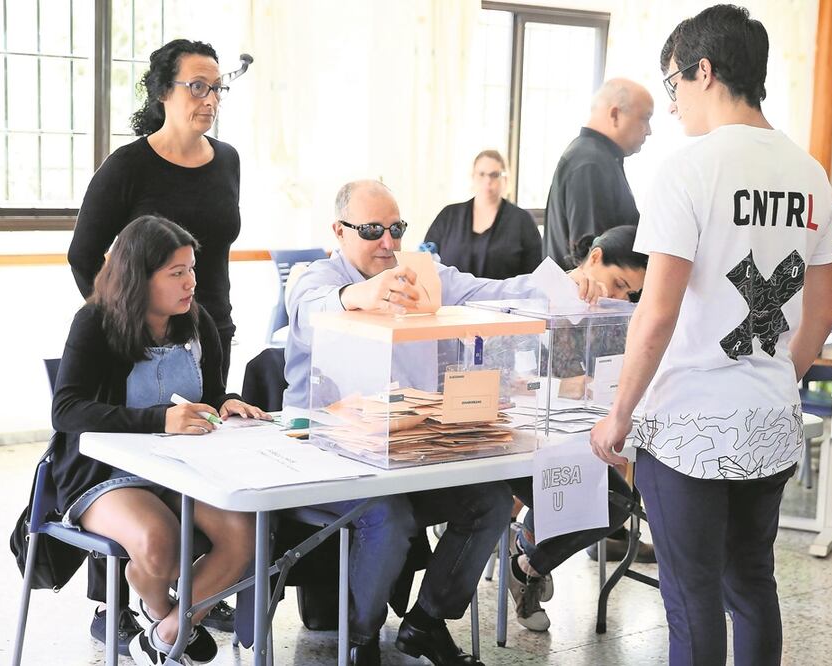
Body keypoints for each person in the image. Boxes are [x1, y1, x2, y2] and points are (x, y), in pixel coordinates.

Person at [589, 6, 832, 665]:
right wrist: (780, 379)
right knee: (751, 582)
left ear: (704, 71)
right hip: (769, 415)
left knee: (690, 593)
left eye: (672, 84)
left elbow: (658, 310)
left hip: (689, 423)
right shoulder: (809, 174)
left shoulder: (688, 168)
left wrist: (620, 413)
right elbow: (819, 314)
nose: (670, 105)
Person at [283, 179, 604, 665]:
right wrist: (362, 294)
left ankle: (425, 623)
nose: (388, 243)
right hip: (334, 455)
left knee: (491, 501)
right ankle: (361, 638)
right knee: (387, 518)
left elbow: (496, 292)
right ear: (339, 231)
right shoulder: (317, 278)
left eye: (396, 229)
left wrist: (567, 281)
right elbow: (311, 309)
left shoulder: (419, 273)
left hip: (414, 453)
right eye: (372, 230)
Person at [66, 39, 242, 644]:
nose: (211, 98)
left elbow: (215, 255)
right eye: (198, 86)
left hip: (206, 328)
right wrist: (128, 322)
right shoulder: (130, 166)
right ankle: (125, 598)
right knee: (132, 452)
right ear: (163, 91)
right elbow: (84, 253)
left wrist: (195, 324)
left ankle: (170, 610)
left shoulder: (228, 160)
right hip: (135, 334)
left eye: (217, 87)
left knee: (199, 445)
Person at [51, 215, 266, 666]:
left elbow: (207, 395)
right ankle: (162, 612)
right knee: (157, 540)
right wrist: (159, 419)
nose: (191, 283)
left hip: (179, 467)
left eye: (191, 269)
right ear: (139, 278)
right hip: (104, 473)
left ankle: (165, 633)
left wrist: (225, 402)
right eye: (177, 273)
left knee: (242, 534)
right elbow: (66, 410)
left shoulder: (197, 322)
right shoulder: (95, 322)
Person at [504, 224, 649, 632]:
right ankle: (528, 564)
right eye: (620, 284)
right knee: (602, 498)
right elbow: (516, 377)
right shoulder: (541, 294)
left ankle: (527, 562)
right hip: (523, 436)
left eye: (630, 295)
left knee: (617, 503)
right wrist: (563, 386)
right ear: (596, 257)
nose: (621, 298)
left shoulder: (609, 316)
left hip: (576, 437)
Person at [542, 78, 653, 270]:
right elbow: (594, 260)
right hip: (588, 297)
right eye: (644, 118)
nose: (649, 131)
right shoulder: (590, 164)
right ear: (615, 114)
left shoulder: (596, 158)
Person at [425, 149, 542, 279]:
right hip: (449, 299)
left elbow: (535, 275)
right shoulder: (448, 216)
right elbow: (426, 262)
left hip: (504, 299)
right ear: (473, 176)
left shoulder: (522, 221)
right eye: (481, 174)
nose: (487, 180)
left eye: (494, 175)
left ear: (505, 179)